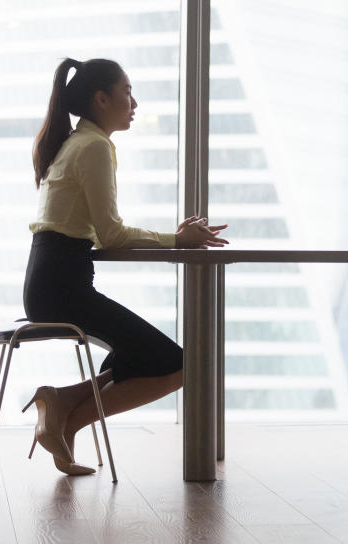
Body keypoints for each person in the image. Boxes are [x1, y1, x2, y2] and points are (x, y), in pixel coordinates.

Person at [22, 57, 229, 476]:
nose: (133, 102)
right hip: (63, 286)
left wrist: (174, 238)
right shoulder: (94, 146)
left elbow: (97, 233)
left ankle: (61, 407)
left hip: (50, 280)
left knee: (141, 357)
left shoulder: (76, 143)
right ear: (101, 99)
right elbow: (111, 235)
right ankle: (65, 416)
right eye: (127, 92)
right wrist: (177, 240)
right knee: (177, 365)